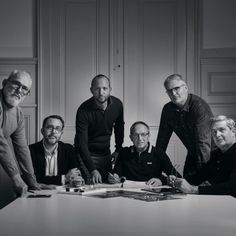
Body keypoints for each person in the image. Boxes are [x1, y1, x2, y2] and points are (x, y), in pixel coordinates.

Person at [156, 74, 214, 181]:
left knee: (205, 189)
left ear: (186, 88)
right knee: (186, 188)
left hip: (211, 156)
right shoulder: (168, 109)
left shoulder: (199, 107)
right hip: (192, 153)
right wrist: (156, 170)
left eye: (176, 88)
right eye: (169, 91)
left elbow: (203, 143)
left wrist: (205, 175)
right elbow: (161, 142)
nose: (173, 93)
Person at [74, 74, 124, 184]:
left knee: (109, 183)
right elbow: (82, 143)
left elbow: (119, 128)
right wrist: (92, 169)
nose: (101, 93)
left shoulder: (118, 105)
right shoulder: (83, 110)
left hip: (105, 152)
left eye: (105, 88)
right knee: (90, 185)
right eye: (97, 89)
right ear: (91, 90)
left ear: (110, 89)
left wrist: (118, 150)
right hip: (86, 153)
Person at [170, 115, 236, 195]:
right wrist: (179, 181)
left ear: (233, 131)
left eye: (221, 130)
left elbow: (232, 187)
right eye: (214, 132)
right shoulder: (216, 154)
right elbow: (200, 176)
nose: (217, 135)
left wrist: (193, 190)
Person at [0, 70, 39, 196]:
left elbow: (22, 149)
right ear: (5, 83)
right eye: (16, 84)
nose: (19, 91)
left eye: (25, 89)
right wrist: (16, 177)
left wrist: (33, 182)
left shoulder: (19, 114)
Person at [108, 121, 181, 186]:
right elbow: (116, 173)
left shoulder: (159, 153)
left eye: (143, 134)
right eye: (136, 135)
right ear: (131, 137)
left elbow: (176, 177)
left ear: (148, 136)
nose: (139, 138)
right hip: (128, 193)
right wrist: (114, 177)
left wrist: (162, 181)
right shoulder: (124, 152)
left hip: (152, 195)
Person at [29, 115, 83, 188]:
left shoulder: (69, 149)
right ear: (42, 131)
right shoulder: (30, 150)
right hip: (37, 192)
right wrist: (64, 178)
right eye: (49, 127)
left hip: (63, 193)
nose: (53, 131)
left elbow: (74, 175)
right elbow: (32, 178)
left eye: (58, 128)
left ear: (61, 133)